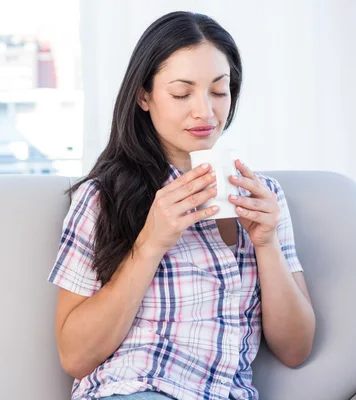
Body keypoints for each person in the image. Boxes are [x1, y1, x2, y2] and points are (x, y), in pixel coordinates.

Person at [47, 11, 315, 400]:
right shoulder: (105, 196)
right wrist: (150, 244)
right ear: (144, 95)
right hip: (138, 390)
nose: (205, 112)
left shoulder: (263, 197)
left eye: (219, 92)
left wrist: (267, 244)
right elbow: (74, 356)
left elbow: (296, 350)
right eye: (181, 93)